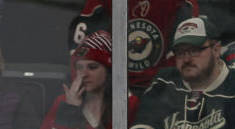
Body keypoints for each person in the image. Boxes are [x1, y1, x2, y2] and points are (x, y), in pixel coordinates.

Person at [38, 30, 139, 129]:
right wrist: (69, 110)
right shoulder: (63, 103)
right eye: (79, 67)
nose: (83, 74)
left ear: (109, 70)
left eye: (92, 67)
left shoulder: (127, 105)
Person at [68, 0, 199, 90]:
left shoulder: (181, 3)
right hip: (112, 91)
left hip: (159, 92)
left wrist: (159, 87)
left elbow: (185, 54)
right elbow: (82, 53)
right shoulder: (101, 3)